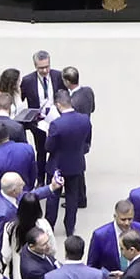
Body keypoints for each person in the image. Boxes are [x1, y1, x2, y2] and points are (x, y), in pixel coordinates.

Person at [45, 90, 91, 234]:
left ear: (58, 105)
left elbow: (48, 147)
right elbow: (87, 142)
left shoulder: (56, 125)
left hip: (57, 166)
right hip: (76, 164)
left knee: (53, 197)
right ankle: (70, 227)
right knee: (72, 197)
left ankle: (50, 226)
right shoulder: (85, 120)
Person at [21, 52, 66, 155]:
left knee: (58, 150)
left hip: (56, 120)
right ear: (35, 66)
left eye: (47, 67)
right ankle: (41, 171)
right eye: (41, 68)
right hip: (38, 122)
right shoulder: (28, 80)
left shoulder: (58, 76)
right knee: (41, 151)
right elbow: (20, 99)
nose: (45, 70)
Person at [87, 199, 137, 272]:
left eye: (130, 219)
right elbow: (92, 266)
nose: (127, 223)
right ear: (115, 216)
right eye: (123, 219)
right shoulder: (100, 236)